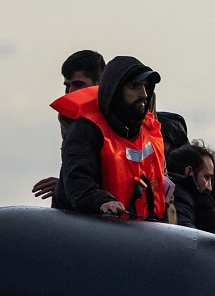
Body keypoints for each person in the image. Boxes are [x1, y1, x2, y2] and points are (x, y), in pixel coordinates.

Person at [51, 55, 169, 220]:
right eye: (134, 86)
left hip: (141, 230)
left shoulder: (149, 129)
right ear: (115, 90)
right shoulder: (85, 130)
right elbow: (78, 178)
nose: (142, 94)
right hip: (90, 230)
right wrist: (102, 201)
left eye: (145, 87)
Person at [34, 49, 107, 202]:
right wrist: (66, 184)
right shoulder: (68, 117)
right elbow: (79, 165)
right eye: (67, 85)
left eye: (78, 84)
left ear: (100, 83)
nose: (70, 92)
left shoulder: (128, 116)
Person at [168, 142, 215, 236]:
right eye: (206, 177)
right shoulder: (180, 199)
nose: (209, 187)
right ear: (189, 171)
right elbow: (189, 239)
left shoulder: (180, 195)